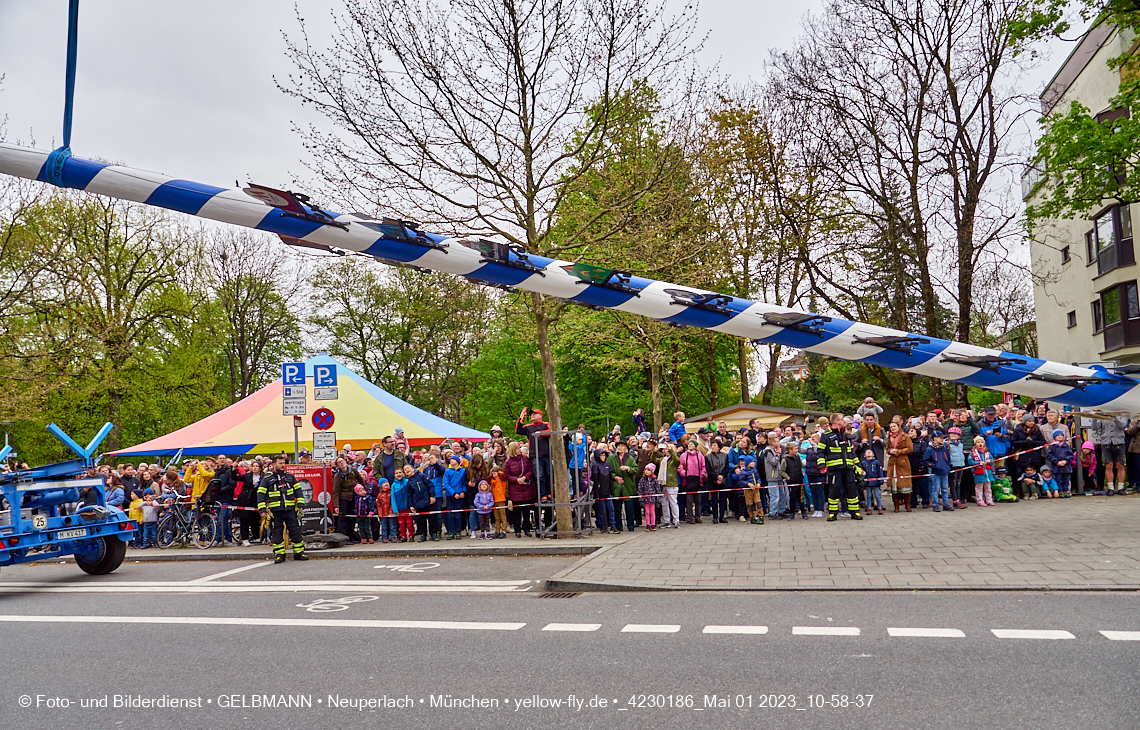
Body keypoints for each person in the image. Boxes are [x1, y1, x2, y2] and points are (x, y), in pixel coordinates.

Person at [258, 455, 308, 564]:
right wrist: (262, 510)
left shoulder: (290, 476)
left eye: (283, 463)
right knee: (277, 533)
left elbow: (298, 490)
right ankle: (279, 555)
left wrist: (300, 504)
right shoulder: (267, 478)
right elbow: (261, 494)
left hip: (290, 509)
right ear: (274, 464)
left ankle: (299, 553)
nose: (282, 465)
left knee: (295, 531)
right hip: (276, 511)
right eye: (280, 463)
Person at [819, 414, 863, 522]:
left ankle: (854, 512)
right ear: (835, 421)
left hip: (848, 468)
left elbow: (852, 453)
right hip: (834, 469)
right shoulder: (826, 436)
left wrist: (858, 466)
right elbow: (820, 452)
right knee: (834, 491)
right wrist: (821, 466)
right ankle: (832, 514)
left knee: (852, 490)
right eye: (841, 419)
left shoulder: (847, 436)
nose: (844, 421)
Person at [504, 441, 536, 538]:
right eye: (518, 448)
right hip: (515, 489)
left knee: (526, 511)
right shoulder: (508, 462)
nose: (520, 450)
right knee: (516, 512)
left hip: (526, 487)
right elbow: (507, 475)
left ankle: (527, 528)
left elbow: (530, 471)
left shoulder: (525, 459)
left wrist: (524, 478)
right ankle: (517, 529)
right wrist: (516, 480)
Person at [1093, 414, 1130, 495]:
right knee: (1108, 465)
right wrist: (1095, 417)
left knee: (1120, 465)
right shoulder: (1103, 415)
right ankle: (1110, 488)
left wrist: (1114, 416)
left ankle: (1120, 487)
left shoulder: (1122, 414)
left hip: (1119, 442)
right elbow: (1094, 428)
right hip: (1106, 442)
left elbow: (1122, 425)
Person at [331, 457, 365, 544]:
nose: (341, 463)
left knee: (352, 518)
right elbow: (336, 491)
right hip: (343, 498)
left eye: (342, 461)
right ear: (338, 465)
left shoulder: (353, 471)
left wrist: (365, 491)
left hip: (354, 497)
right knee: (342, 519)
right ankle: (342, 538)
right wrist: (336, 506)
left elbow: (361, 481)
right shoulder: (338, 476)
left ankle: (351, 537)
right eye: (339, 462)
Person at [608, 441, 639, 532]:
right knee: (617, 507)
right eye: (618, 446)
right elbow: (607, 470)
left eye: (622, 446)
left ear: (626, 448)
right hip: (616, 486)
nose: (620, 447)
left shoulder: (630, 458)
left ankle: (630, 525)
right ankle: (618, 526)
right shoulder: (611, 458)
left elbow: (635, 469)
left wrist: (628, 468)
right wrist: (615, 477)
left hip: (628, 486)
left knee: (629, 507)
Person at [885, 421, 913, 512]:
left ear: (898, 427)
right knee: (894, 486)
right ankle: (896, 506)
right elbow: (887, 448)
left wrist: (899, 451)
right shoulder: (889, 437)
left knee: (905, 485)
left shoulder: (905, 436)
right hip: (893, 463)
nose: (893, 428)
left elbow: (910, 448)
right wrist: (890, 451)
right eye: (891, 427)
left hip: (903, 462)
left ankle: (907, 505)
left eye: (894, 426)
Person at [924, 431, 953, 513]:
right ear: (935, 438)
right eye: (941, 438)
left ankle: (946, 504)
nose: (942, 439)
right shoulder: (929, 449)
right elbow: (925, 461)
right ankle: (935, 505)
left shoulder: (944, 448)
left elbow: (948, 458)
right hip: (935, 472)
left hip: (945, 471)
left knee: (944, 489)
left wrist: (948, 466)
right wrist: (933, 465)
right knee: (935, 489)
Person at [678, 439, 706, 524]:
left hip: (697, 479)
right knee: (689, 500)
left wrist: (701, 475)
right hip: (688, 479)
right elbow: (680, 467)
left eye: (692, 444)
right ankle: (690, 516)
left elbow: (703, 467)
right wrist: (685, 474)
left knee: (698, 500)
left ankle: (698, 516)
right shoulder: (683, 455)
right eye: (689, 444)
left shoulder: (700, 455)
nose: (690, 445)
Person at [589, 448, 616, 534]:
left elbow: (610, 479)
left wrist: (612, 492)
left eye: (604, 455)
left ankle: (612, 525)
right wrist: (596, 493)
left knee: (611, 509)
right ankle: (602, 526)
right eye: (601, 455)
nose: (603, 457)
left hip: (607, 490)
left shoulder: (607, 464)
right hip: (600, 492)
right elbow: (595, 481)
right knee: (602, 510)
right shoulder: (595, 465)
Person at [780, 441, 808, 519]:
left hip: (799, 480)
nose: (797, 450)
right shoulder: (785, 460)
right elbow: (782, 471)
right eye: (795, 449)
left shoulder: (798, 457)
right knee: (792, 497)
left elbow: (801, 466)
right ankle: (792, 513)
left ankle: (803, 512)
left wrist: (802, 472)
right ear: (790, 450)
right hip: (791, 482)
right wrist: (788, 477)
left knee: (801, 497)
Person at [762, 432, 787, 519]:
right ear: (773, 443)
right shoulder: (768, 452)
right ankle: (772, 512)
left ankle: (781, 510)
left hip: (779, 476)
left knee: (782, 495)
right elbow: (773, 462)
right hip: (772, 477)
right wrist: (778, 454)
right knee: (774, 496)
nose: (779, 443)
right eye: (777, 441)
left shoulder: (774, 451)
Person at [704, 440, 729, 524]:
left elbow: (726, 468)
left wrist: (722, 476)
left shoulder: (725, 456)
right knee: (714, 500)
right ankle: (715, 517)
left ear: (719, 447)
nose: (713, 447)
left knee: (722, 499)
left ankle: (722, 516)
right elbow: (709, 469)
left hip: (723, 480)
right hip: (712, 480)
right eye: (712, 445)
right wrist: (716, 477)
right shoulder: (708, 457)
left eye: (715, 445)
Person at [733, 452, 762, 524]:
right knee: (749, 504)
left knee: (758, 502)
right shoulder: (743, 472)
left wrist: (758, 483)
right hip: (748, 490)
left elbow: (758, 477)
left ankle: (760, 515)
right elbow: (741, 481)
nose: (754, 463)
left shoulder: (755, 470)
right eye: (752, 462)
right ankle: (751, 516)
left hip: (756, 490)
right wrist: (749, 484)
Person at [408, 465, 435, 542]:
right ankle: (423, 534)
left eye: (408, 468)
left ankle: (433, 533)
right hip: (418, 503)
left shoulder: (422, 475)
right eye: (405, 469)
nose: (407, 470)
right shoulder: (409, 482)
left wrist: (432, 495)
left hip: (428, 500)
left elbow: (430, 485)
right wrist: (411, 505)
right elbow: (409, 494)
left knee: (432, 518)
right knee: (420, 520)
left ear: (413, 469)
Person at [968, 436, 996, 506]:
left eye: (981, 442)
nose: (980, 443)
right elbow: (970, 462)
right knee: (979, 488)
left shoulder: (987, 453)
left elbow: (992, 460)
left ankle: (989, 500)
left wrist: (990, 461)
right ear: (975, 444)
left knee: (988, 487)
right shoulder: (972, 453)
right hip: (979, 473)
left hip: (988, 473)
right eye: (978, 442)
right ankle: (980, 500)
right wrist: (978, 463)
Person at [1046, 430, 1074, 497]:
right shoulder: (1052, 446)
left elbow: (1070, 455)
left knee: (1066, 480)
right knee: (1059, 480)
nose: (1060, 437)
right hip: (1057, 467)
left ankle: (1066, 491)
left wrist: (1066, 461)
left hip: (1066, 467)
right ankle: (1060, 491)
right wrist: (1057, 462)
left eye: (1061, 435)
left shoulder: (1066, 445)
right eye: (1058, 435)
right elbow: (1049, 455)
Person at [858, 448, 885, 515]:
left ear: (873, 454)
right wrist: (862, 481)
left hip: (875, 482)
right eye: (867, 452)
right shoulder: (863, 463)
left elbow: (880, 471)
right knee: (868, 495)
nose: (869, 453)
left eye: (870, 452)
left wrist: (881, 479)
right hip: (867, 482)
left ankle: (879, 507)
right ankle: (869, 508)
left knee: (877, 495)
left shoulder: (876, 462)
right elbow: (862, 472)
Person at [946, 427, 968, 510]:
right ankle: (955, 500)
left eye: (955, 434)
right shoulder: (947, 443)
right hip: (953, 465)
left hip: (960, 464)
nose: (953, 435)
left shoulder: (960, 444)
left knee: (959, 482)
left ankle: (958, 499)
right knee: (953, 482)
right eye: (951, 434)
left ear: (959, 436)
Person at [638, 463, 662, 531]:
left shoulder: (654, 480)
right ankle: (648, 525)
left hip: (653, 499)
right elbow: (640, 490)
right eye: (645, 470)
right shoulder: (642, 480)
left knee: (652, 512)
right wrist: (641, 499)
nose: (646, 471)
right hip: (646, 499)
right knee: (647, 512)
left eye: (648, 470)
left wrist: (658, 500)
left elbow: (658, 490)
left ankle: (653, 524)